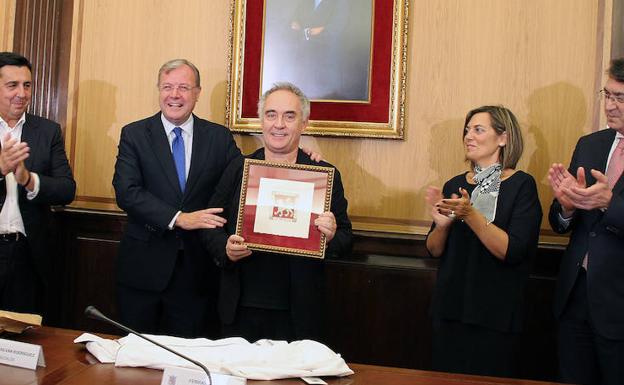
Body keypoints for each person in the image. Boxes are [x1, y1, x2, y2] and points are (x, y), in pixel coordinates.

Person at [200, 82, 352, 342]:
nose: (278, 124)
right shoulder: (239, 168)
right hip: (239, 307)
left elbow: (346, 239)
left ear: (304, 124)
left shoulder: (323, 176)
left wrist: (331, 234)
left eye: (289, 116)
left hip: (299, 312)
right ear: (261, 121)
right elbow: (210, 223)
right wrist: (224, 247)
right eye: (271, 115)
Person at [112, 59, 241, 337]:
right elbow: (126, 192)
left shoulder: (218, 138)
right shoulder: (134, 134)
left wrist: (299, 157)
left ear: (197, 93)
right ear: (158, 90)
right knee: (134, 363)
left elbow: (243, 181)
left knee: (185, 363)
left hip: (197, 271)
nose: (174, 95)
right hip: (142, 270)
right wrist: (180, 219)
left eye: (183, 87)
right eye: (167, 87)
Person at [425, 105, 542, 377]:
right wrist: (442, 227)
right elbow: (433, 249)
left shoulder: (522, 185)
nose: (469, 136)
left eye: (478, 130)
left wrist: (469, 214)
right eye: (467, 130)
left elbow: (510, 251)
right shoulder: (454, 183)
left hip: (495, 312)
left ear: (503, 138)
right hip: (451, 307)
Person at [548, 58, 624, 385]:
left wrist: (611, 204)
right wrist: (566, 206)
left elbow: (609, 206)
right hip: (575, 297)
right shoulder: (590, 144)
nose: (610, 105)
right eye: (606, 95)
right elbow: (563, 221)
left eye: (620, 97)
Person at [0, 52, 76, 313]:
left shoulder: (47, 131)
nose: (22, 93)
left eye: (27, 85)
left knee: (23, 338)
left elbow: (67, 190)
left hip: (28, 254)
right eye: (12, 85)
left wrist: (28, 180)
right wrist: (1, 169)